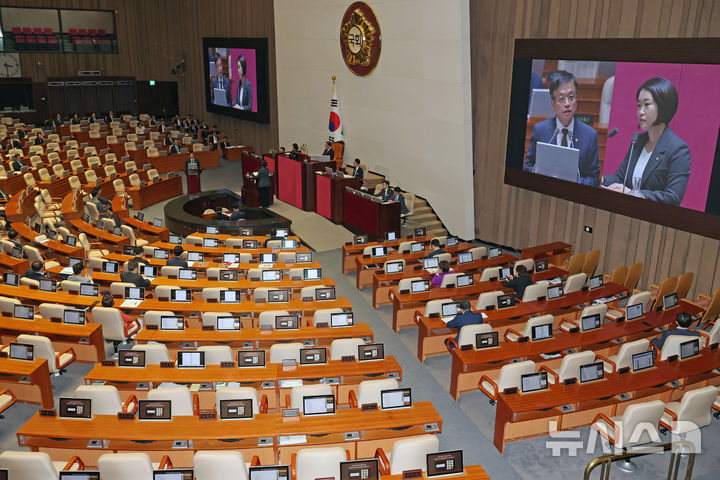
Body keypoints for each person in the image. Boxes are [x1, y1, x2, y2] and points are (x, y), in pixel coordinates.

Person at [602, 77, 690, 206]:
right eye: (639, 105)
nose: (641, 112)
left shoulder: (678, 150)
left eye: (647, 104)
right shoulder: (638, 141)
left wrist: (633, 193)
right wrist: (602, 179)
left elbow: (673, 197)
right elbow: (621, 177)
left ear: (663, 105)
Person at [524, 70, 601, 186]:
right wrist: (541, 174)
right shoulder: (540, 130)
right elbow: (528, 166)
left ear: (576, 100)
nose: (567, 103)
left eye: (571, 97)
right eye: (561, 98)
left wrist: (574, 182)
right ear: (552, 103)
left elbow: (594, 180)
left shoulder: (589, 135)